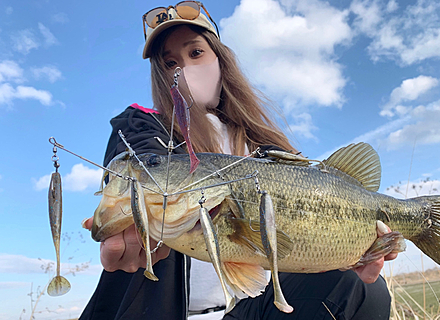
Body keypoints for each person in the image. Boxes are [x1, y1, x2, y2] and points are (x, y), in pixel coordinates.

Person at [81, 2, 397, 319]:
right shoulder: (142, 125)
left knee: (365, 288)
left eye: (195, 53)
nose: (183, 70)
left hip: (253, 309)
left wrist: (350, 251)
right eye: (169, 62)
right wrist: (131, 224)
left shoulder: (264, 143)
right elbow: (137, 157)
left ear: (220, 59)